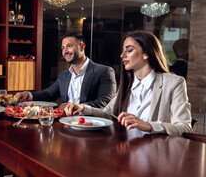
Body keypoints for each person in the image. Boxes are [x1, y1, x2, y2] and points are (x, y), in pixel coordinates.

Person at [64, 30, 192, 136]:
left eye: (129, 50)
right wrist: (83, 108)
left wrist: (148, 126)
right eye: (123, 50)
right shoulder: (128, 84)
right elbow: (108, 114)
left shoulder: (174, 83)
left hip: (153, 156)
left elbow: (185, 127)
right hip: (123, 150)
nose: (122, 55)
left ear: (146, 53)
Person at [15, 32, 116, 109]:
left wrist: (77, 106)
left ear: (82, 47)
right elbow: (48, 94)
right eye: (63, 48)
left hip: (90, 125)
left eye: (69, 46)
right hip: (65, 124)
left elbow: (106, 101)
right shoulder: (64, 75)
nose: (65, 51)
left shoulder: (104, 71)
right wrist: (28, 94)